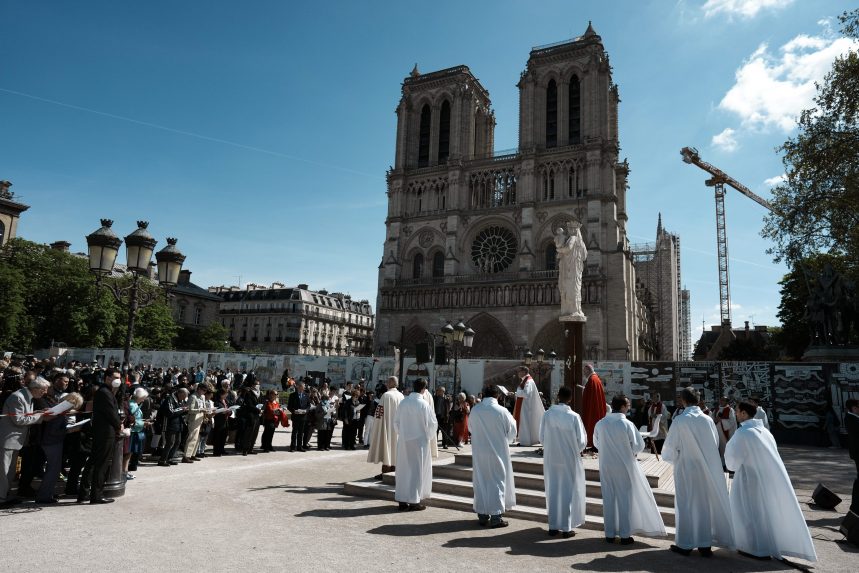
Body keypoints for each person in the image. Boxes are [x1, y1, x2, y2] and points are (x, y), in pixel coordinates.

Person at [725, 401, 817, 562]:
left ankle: (754, 547)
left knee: (748, 513)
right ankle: (766, 544)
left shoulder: (743, 433)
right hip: (767, 479)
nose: (736, 415)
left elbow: (732, 462)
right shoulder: (765, 432)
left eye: (738, 412)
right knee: (763, 512)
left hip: (749, 479)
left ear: (745, 413)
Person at [662, 387, 734, 557]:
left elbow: (670, 449)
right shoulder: (707, 420)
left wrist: (674, 459)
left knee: (686, 504)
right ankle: (704, 544)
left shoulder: (680, 421)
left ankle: (685, 544)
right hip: (706, 469)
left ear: (683, 401)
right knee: (704, 505)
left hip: (686, 468)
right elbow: (715, 443)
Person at [593, 394, 666, 544]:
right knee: (624, 499)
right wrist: (628, 451)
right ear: (622, 407)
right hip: (624, 465)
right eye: (627, 405)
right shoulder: (626, 424)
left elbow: (596, 443)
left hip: (606, 465)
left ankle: (610, 533)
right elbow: (639, 446)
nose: (629, 408)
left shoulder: (600, 423)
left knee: (608, 498)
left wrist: (609, 450)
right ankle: (625, 535)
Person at [540, 386, 586, 538]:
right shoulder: (573, 416)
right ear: (570, 399)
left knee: (553, 490)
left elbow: (542, 437)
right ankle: (566, 527)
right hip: (569, 458)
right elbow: (582, 441)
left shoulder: (547, 415)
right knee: (568, 491)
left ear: (557, 397)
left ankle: (553, 526)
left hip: (552, 457)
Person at [469, 385, 517, 528]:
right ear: (497, 396)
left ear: (483, 395)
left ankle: (482, 515)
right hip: (497, 451)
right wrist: (505, 439)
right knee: (497, 481)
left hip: (479, 451)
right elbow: (512, 432)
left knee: (481, 481)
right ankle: (496, 516)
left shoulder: (475, 410)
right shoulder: (502, 411)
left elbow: (471, 428)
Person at [393, 378, 438, 511]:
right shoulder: (424, 405)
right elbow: (432, 424)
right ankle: (414, 500)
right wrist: (427, 437)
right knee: (416, 471)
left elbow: (396, 422)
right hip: (419, 443)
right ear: (424, 389)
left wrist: (402, 434)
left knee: (403, 469)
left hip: (404, 441)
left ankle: (402, 499)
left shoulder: (404, 402)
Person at [89, 368, 123, 504]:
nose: (118, 380)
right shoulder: (104, 392)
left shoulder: (108, 392)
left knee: (97, 462)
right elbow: (111, 413)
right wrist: (118, 425)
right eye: (115, 377)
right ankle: (96, 494)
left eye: (119, 378)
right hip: (105, 432)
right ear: (107, 378)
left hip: (104, 431)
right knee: (101, 464)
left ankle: (90, 493)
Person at [367, 376, 404, 477]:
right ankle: (395, 470)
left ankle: (386, 472)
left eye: (388, 382)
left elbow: (379, 413)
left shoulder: (386, 395)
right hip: (398, 428)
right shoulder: (401, 396)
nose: (386, 384)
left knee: (387, 447)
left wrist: (377, 425)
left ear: (391, 383)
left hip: (387, 426)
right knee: (395, 448)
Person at [514, 366, 544, 446]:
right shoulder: (526, 380)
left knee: (525, 422)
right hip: (525, 405)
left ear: (524, 372)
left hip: (526, 407)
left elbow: (526, 394)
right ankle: (525, 440)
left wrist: (516, 393)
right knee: (525, 423)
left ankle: (526, 441)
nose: (518, 373)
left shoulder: (528, 381)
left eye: (519, 371)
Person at [580, 364, 606, 450]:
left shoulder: (591, 380)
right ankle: (595, 445)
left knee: (591, 425)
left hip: (593, 410)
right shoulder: (596, 379)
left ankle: (592, 443)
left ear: (588, 370)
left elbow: (589, 397)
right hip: (596, 409)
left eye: (584, 371)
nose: (583, 373)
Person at [183, 383, 207, 462]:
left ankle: (193, 454)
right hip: (193, 419)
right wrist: (200, 410)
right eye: (203, 390)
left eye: (205, 391)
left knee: (197, 438)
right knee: (192, 437)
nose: (204, 392)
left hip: (200, 418)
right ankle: (186, 456)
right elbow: (190, 410)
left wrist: (207, 410)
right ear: (199, 389)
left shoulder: (202, 397)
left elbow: (203, 407)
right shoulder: (193, 397)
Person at [713, 396, 736, 465]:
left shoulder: (730, 410)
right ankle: (722, 465)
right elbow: (712, 419)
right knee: (720, 448)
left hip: (727, 433)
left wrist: (722, 420)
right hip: (717, 432)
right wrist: (715, 420)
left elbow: (732, 421)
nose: (721, 401)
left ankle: (729, 464)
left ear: (727, 401)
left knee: (727, 448)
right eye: (721, 400)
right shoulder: (716, 409)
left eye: (723, 400)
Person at [287, 382, 310, 452]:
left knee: (301, 432)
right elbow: (289, 406)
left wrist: (306, 410)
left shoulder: (306, 395)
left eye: (302, 386)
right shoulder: (292, 395)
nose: (301, 388)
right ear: (297, 387)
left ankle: (299, 447)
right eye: (300, 386)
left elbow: (308, 405)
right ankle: (293, 447)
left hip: (303, 416)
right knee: (294, 432)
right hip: (296, 416)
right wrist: (294, 411)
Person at [846, 398, 859, 514]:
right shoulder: (852, 420)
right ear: (854, 408)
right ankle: (855, 507)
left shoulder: (853, 418)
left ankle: (855, 506)